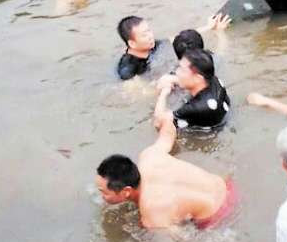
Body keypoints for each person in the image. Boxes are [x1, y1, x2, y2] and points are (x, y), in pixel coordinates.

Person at [96, 96, 235, 232]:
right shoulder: (149, 157)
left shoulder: (151, 216)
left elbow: (178, 241)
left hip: (216, 216)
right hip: (226, 186)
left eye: (104, 192)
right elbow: (168, 132)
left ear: (126, 191)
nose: (101, 196)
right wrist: (165, 117)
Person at [116, 13, 231, 82]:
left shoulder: (153, 45)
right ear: (132, 44)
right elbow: (135, 93)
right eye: (144, 35)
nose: (150, 36)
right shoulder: (128, 68)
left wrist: (209, 27)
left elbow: (180, 39)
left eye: (149, 31)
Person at [156, 49, 230, 130]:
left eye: (182, 70)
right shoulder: (212, 79)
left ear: (198, 78)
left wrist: (163, 94)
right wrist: (172, 79)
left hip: (206, 133)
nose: (177, 72)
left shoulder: (196, 107)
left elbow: (158, 122)